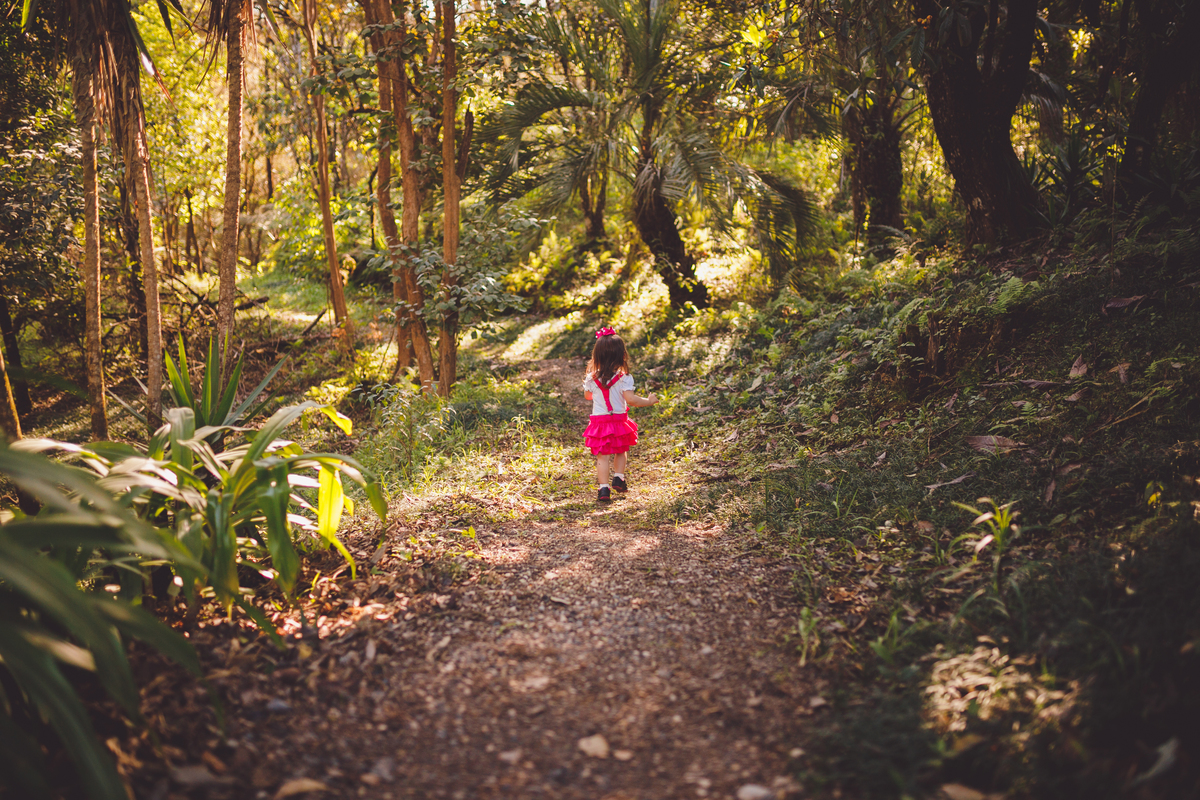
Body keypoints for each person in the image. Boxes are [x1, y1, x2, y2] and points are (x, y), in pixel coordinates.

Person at [582, 327, 659, 502]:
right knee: (621, 450)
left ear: (597, 356)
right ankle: (618, 477)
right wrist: (649, 401)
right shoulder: (624, 378)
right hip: (618, 420)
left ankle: (603, 489)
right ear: (622, 355)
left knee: (603, 456)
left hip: (600, 422)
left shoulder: (591, 378)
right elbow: (631, 400)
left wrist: (600, 391)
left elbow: (588, 396)